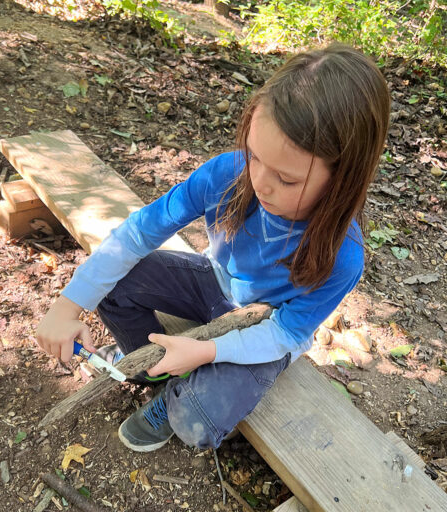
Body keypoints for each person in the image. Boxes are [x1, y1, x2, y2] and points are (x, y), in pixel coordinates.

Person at [35, 43, 390, 452]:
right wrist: (67, 305)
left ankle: (175, 402)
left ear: (343, 177)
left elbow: (285, 333)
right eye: (254, 156)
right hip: (213, 283)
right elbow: (138, 233)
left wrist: (206, 352)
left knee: (197, 424)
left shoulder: (343, 255)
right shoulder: (227, 173)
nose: (260, 182)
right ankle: (152, 368)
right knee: (114, 286)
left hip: (264, 326)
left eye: (287, 179)